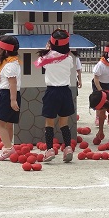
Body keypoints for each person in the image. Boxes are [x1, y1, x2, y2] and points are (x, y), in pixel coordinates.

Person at [34, 29, 76, 163]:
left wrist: (48, 49)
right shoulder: (69, 59)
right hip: (65, 92)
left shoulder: (46, 58)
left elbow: (40, 64)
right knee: (64, 122)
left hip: (51, 92)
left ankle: (50, 149)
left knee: (49, 123)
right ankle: (68, 148)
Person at [0, 35, 22, 161]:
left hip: (7, 95)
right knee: (8, 124)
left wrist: (12, 100)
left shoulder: (9, 65)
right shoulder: (12, 62)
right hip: (11, 94)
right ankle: (8, 146)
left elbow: (12, 83)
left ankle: (9, 148)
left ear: (5, 50)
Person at [91, 46, 109, 135]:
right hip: (99, 84)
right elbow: (96, 78)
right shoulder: (100, 65)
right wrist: (100, 90)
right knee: (100, 102)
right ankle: (98, 117)